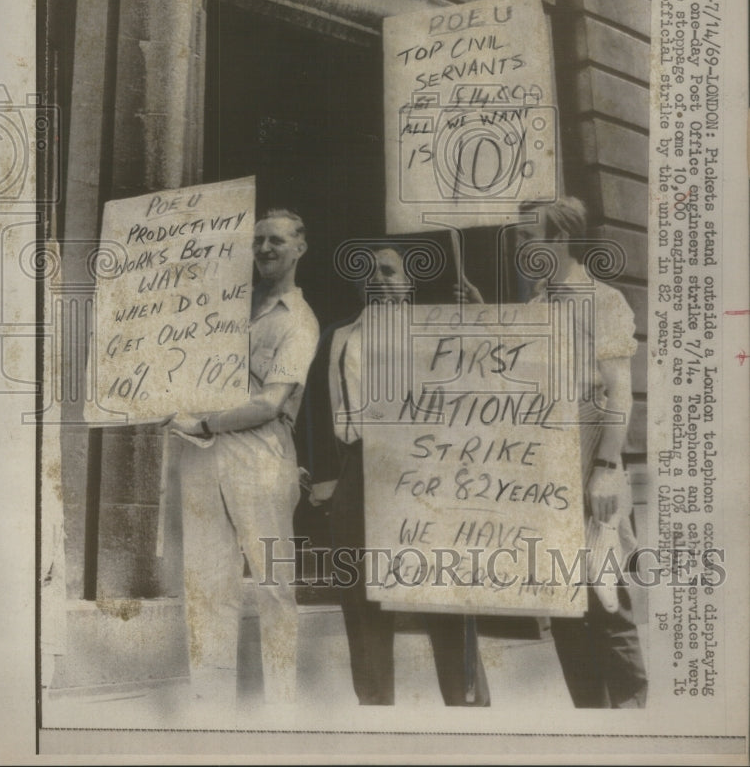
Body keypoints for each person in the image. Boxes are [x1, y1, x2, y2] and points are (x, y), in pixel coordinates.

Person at [457, 197, 648, 708]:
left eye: (527, 237)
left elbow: (619, 393)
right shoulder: (538, 306)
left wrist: (607, 469)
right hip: (545, 474)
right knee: (563, 602)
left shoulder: (602, 301)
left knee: (606, 599)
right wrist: (481, 316)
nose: (520, 248)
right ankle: (590, 720)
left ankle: (633, 725)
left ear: (559, 239)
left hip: (592, 464)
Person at [298, 244, 490, 706]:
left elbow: (487, 384)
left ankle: (469, 712)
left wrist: (481, 319)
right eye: (368, 271)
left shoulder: (437, 331)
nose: (378, 278)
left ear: (408, 282)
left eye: (388, 271)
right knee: (361, 601)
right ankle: (376, 711)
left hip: (426, 471)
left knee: (442, 595)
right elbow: (319, 411)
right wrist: (328, 482)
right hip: (359, 469)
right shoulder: (339, 336)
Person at [170, 208, 319, 704]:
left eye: (276, 240)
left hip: (261, 457)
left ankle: (282, 704)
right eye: (257, 241)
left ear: (300, 247)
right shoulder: (230, 306)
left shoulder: (300, 320)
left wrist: (206, 422)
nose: (264, 250)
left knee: (274, 583)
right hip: (203, 455)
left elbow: (268, 402)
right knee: (207, 581)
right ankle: (209, 700)